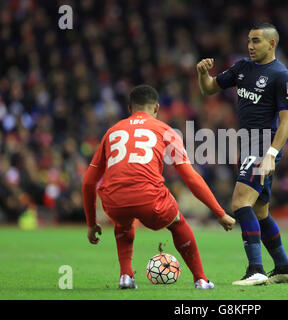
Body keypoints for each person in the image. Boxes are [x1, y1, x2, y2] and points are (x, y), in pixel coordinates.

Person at [82, 85, 235, 290]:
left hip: (114, 201)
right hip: (149, 199)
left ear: (129, 108)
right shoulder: (165, 130)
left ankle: (126, 276)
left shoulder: (112, 132)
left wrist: (92, 223)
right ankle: (201, 279)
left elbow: (88, 182)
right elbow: (190, 177)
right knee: (178, 222)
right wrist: (219, 213)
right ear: (156, 108)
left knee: (123, 221)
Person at [196, 23, 288, 285]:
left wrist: (272, 154)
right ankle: (284, 267)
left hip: (264, 145)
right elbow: (209, 88)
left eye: (256, 41)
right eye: (249, 41)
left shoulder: (280, 75)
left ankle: (256, 269)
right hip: (248, 144)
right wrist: (202, 74)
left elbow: (287, 121)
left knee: (240, 203)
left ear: (271, 44)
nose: (250, 46)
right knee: (261, 211)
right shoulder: (242, 68)